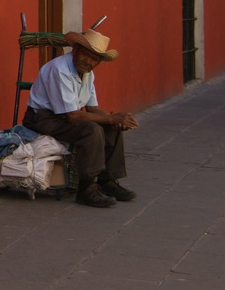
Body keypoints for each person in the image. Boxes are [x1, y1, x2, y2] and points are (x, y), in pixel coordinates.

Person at [22, 28, 138, 207]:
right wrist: (111, 119)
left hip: (64, 117)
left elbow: (92, 107)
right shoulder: (59, 69)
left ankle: (107, 181)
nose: (88, 61)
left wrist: (116, 119)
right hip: (43, 119)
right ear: (75, 50)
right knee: (92, 129)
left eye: (94, 59)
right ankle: (87, 188)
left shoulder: (88, 73)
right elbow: (73, 116)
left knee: (110, 125)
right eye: (85, 55)